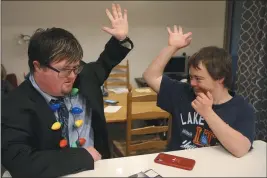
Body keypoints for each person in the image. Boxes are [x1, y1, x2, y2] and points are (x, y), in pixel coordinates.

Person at [2, 4, 133, 177]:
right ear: (38, 67)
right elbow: (20, 161)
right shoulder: (14, 104)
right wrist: (82, 156)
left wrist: (120, 40)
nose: (72, 76)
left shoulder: (83, 76)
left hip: (99, 170)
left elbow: (105, 62)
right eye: (65, 70)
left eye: (76, 68)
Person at [143, 25, 255, 158]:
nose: (192, 83)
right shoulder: (183, 92)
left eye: (198, 78)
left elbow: (240, 149)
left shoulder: (242, 108)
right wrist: (172, 47)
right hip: (175, 165)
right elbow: (150, 77)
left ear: (220, 78)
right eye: (191, 77)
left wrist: (208, 113)